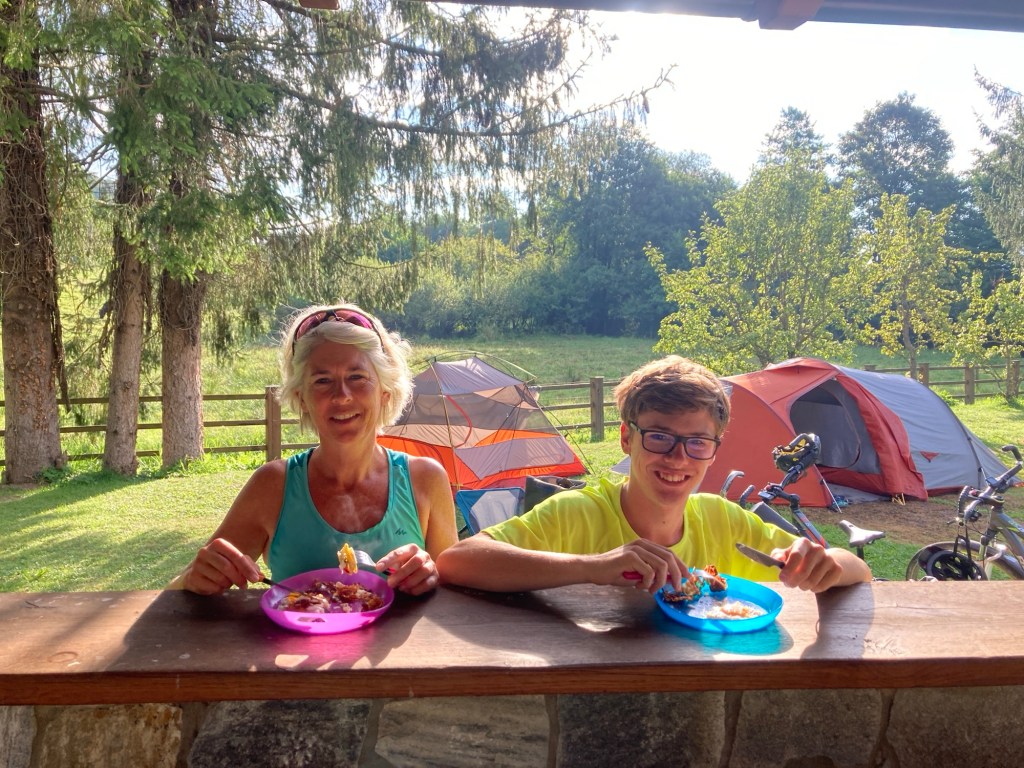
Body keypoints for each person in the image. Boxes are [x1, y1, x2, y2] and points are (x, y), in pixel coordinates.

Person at [437, 355, 871, 594]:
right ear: (627, 438)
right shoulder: (576, 514)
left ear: (715, 450)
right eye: (660, 437)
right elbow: (457, 560)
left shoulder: (724, 520)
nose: (678, 458)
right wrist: (593, 567)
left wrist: (824, 563)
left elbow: (858, 570)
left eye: (697, 442)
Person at [170, 303, 457, 596]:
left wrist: (431, 574)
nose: (342, 396)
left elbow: (456, 596)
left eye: (357, 377)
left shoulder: (425, 479)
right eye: (322, 381)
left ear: (385, 392)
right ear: (301, 398)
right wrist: (193, 579)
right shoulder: (273, 485)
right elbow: (177, 593)